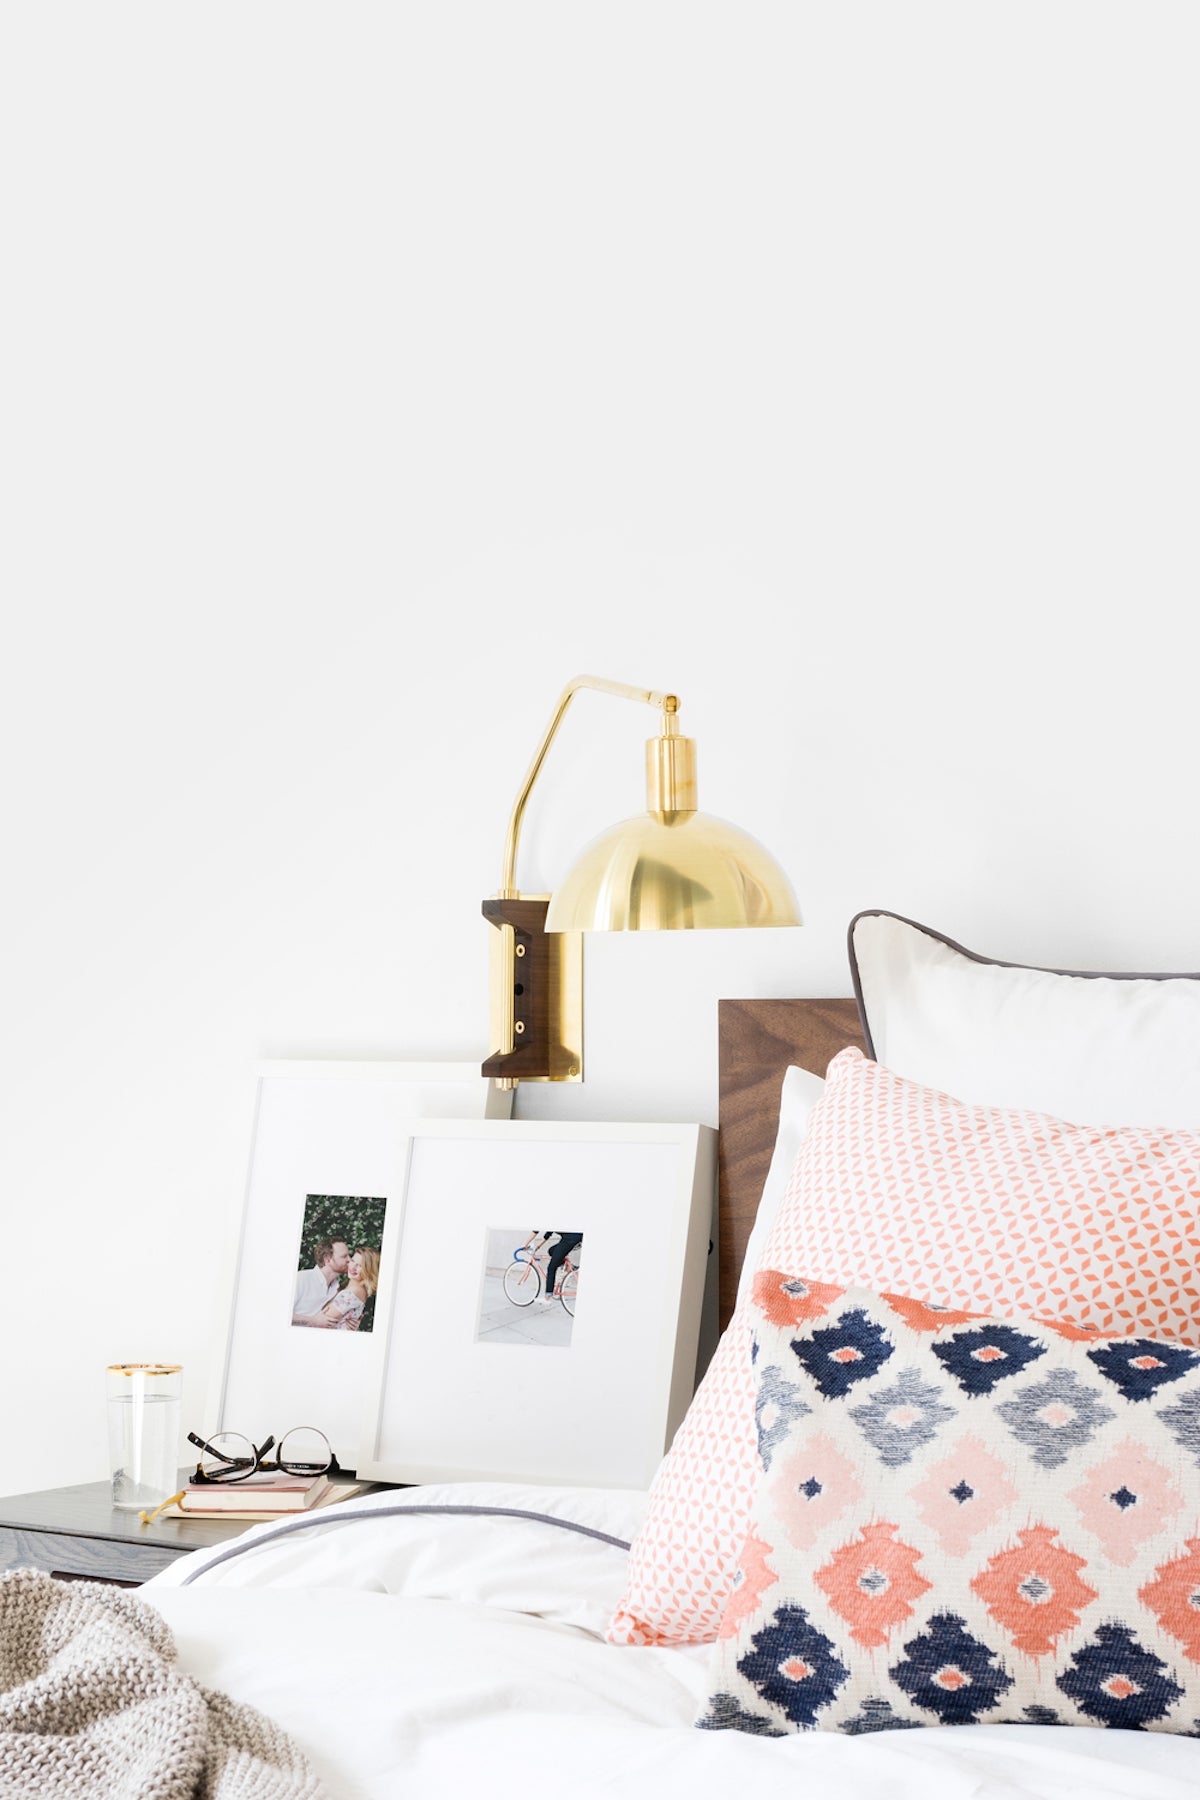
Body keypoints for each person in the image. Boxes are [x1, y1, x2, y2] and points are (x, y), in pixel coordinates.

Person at [292, 1239, 350, 1327]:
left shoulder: (336, 1288)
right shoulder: (300, 1279)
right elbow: (280, 1315)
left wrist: (349, 1325)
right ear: (328, 1260)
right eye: (344, 1256)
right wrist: (313, 1321)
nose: (349, 1260)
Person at [321, 1245, 379, 1332]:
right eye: (352, 1261)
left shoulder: (354, 1292)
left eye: (359, 1265)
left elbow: (322, 1321)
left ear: (368, 1271)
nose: (352, 1267)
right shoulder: (349, 1287)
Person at [524, 1229, 582, 1307]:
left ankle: (547, 1298)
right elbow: (548, 1234)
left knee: (551, 1268)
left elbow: (535, 1231)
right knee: (551, 1251)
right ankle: (568, 1267)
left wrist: (525, 1244)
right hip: (576, 1237)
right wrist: (538, 1246)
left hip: (571, 1239)